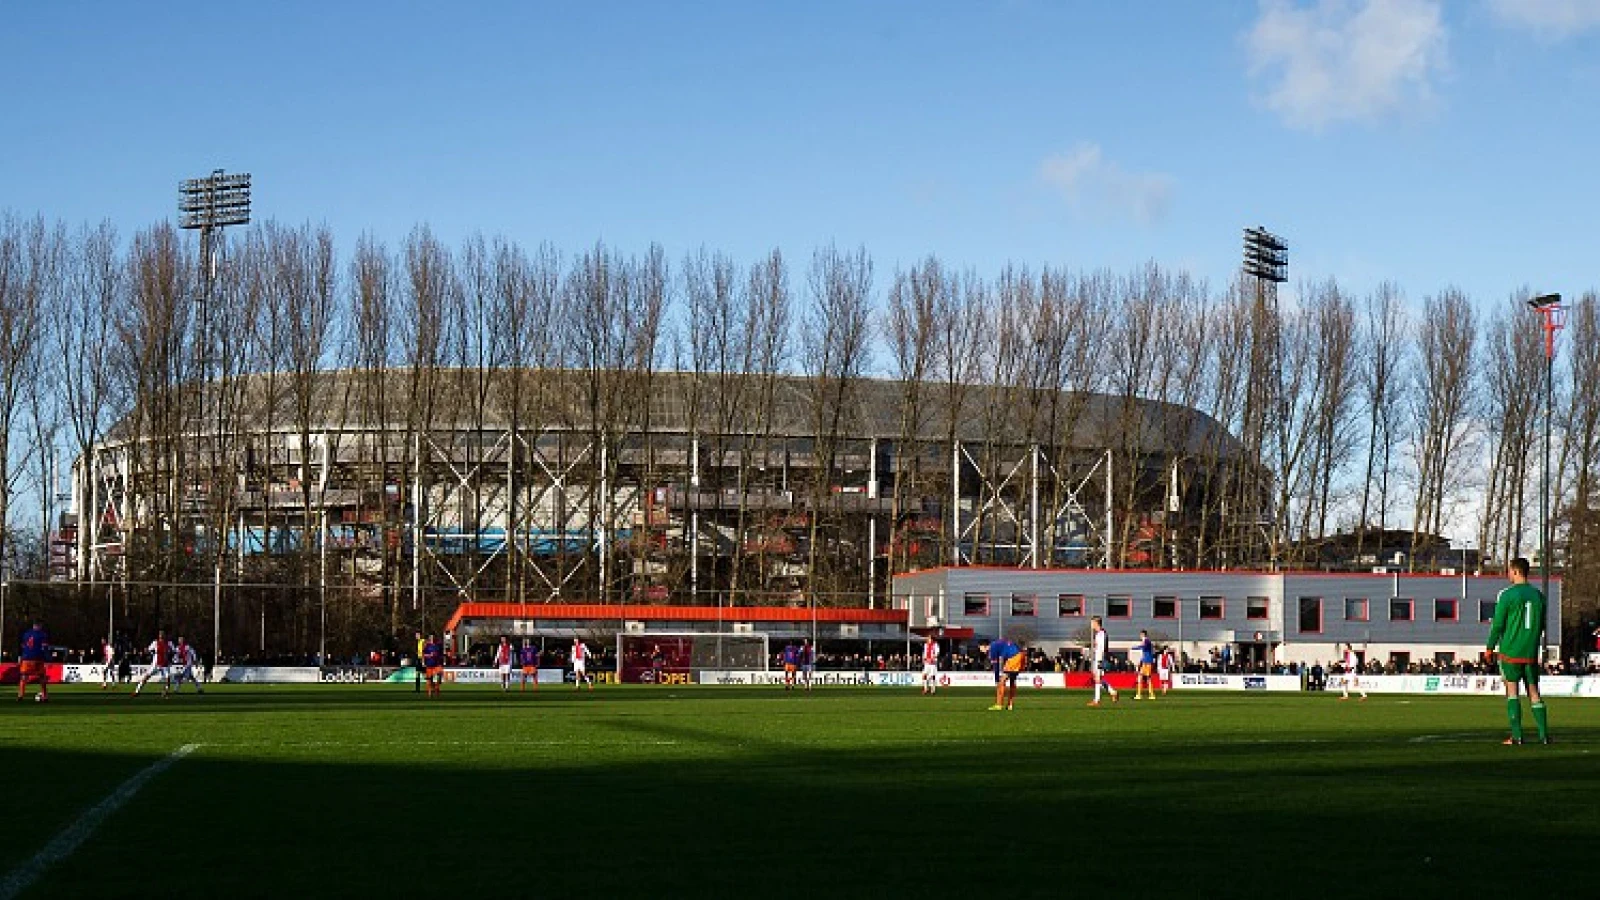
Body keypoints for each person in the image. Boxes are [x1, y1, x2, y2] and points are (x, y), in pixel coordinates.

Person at [1487, 557, 1551, 745]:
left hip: (1510, 651)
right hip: (1530, 652)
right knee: (1534, 692)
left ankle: (1516, 736)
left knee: (1512, 691)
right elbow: (1542, 625)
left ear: (1515, 571)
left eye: (1509, 571)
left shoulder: (1507, 595)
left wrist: (1490, 647)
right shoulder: (1539, 596)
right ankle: (1544, 735)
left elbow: (1498, 625)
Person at [982, 637, 1024, 711]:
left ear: (984, 646)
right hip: (1021, 655)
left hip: (1014, 657)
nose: (981, 650)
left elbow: (996, 665)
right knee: (1012, 681)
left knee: (1001, 681)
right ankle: (1010, 705)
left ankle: (999, 705)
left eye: (980, 648)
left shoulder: (992, 648)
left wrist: (996, 679)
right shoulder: (997, 644)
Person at [131, 630, 172, 698]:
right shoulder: (155, 643)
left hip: (165, 665)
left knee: (168, 679)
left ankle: (165, 692)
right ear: (159, 635)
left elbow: (173, 651)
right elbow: (148, 649)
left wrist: (170, 658)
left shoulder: (169, 643)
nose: (161, 635)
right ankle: (137, 691)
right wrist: (143, 652)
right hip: (156, 664)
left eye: (162, 634)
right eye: (160, 634)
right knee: (146, 677)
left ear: (165, 635)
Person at [1088, 616, 1119, 706]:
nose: (1091, 625)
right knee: (1098, 679)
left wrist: (1100, 660)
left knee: (1098, 679)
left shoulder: (1101, 634)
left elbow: (1102, 648)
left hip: (1100, 658)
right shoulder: (1098, 634)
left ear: (1096, 623)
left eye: (1092, 623)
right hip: (1097, 658)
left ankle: (1097, 700)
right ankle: (1113, 692)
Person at [17, 620, 50, 703]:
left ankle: (20, 695)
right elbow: (45, 647)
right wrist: (48, 659)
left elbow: (23, 646)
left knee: (24, 677)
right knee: (42, 677)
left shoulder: (26, 634)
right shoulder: (43, 635)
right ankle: (45, 696)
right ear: (40, 625)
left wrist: (20, 656)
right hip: (38, 657)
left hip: (26, 658)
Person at [1133, 629, 1157, 700]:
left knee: (1143, 677)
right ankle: (1149, 694)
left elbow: (1144, 647)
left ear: (1143, 635)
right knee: (1146, 678)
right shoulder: (1146, 641)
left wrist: (1135, 647)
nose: (1140, 636)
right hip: (1146, 661)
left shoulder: (1146, 641)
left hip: (1147, 662)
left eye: (1140, 635)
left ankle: (1141, 695)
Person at [422, 634, 444, 698]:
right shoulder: (427, 645)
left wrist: (442, 659)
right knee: (429, 680)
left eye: (433, 637)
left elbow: (441, 654)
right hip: (429, 664)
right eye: (431, 637)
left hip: (437, 664)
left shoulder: (439, 645)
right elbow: (423, 655)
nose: (432, 639)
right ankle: (430, 692)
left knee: (440, 674)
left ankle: (437, 686)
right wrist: (429, 655)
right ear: (429, 638)